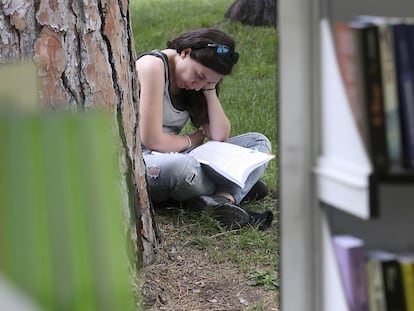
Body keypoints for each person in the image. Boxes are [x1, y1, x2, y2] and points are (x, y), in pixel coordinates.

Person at [135, 27, 273, 230]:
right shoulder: (153, 66)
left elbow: (219, 135)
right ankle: (235, 184)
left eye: (208, 82)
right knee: (181, 167)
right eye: (199, 76)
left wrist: (210, 90)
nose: (197, 85)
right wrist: (191, 140)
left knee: (258, 143)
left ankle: (222, 199)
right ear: (186, 52)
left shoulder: (200, 86)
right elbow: (152, 139)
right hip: (144, 159)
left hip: (177, 153)